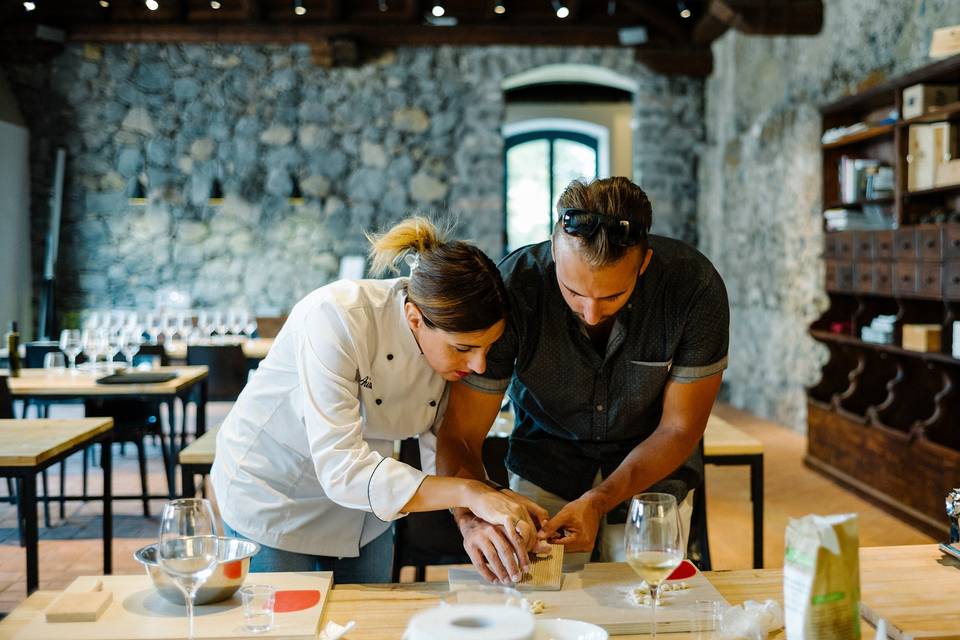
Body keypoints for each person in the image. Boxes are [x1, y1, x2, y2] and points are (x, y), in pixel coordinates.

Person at [210, 217, 543, 583]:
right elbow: (341, 468)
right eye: (463, 348)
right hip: (273, 495)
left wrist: (471, 518)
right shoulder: (337, 318)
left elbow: (443, 443)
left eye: (488, 348)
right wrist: (471, 492)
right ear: (415, 318)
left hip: (365, 510)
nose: (479, 363)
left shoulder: (451, 357)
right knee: (288, 626)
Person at [436, 176, 729, 585]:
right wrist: (470, 520)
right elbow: (460, 435)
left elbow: (680, 428)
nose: (591, 313)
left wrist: (599, 500)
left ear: (643, 264)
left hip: (654, 476)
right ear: (554, 250)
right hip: (545, 465)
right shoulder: (514, 287)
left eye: (612, 296)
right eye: (573, 292)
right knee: (541, 607)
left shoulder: (693, 289)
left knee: (651, 608)